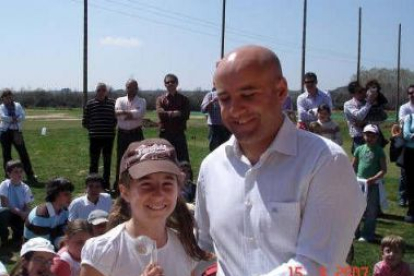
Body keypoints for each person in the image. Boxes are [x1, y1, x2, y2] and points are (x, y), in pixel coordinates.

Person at [195, 45, 366, 276]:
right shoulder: (211, 167)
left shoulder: (325, 161)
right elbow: (205, 248)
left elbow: (316, 264)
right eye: (224, 98)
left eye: (248, 95)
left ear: (281, 91)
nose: (235, 109)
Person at [80, 138, 210, 276]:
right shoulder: (103, 251)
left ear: (178, 189)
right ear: (125, 191)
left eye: (167, 183)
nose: (158, 194)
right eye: (146, 184)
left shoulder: (185, 246)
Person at [352, 124, 387, 242]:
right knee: (356, 208)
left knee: (371, 210)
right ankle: (354, 232)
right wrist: (351, 177)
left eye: (372, 135)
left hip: (373, 184)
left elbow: (383, 169)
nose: (369, 138)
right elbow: (354, 165)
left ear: (377, 137)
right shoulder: (359, 149)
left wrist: (373, 178)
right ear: (363, 135)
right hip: (359, 183)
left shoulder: (379, 151)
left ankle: (367, 234)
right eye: (367, 135)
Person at [113, 79, 147, 194]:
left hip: (136, 134)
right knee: (121, 160)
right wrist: (132, 114)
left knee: (137, 159)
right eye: (129, 87)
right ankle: (119, 186)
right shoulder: (119, 100)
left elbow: (140, 114)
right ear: (126, 88)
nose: (131, 89)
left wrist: (125, 113)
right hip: (123, 134)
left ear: (137, 88)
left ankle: (137, 185)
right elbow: (118, 115)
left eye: (133, 87)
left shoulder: (142, 101)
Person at [82, 83, 117, 190]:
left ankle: (105, 185)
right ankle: (92, 185)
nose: (101, 92)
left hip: (108, 137)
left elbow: (116, 119)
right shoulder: (90, 104)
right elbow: (85, 121)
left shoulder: (113, 103)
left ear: (106, 91)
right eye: (99, 90)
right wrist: (93, 129)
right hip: (94, 138)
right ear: (96, 91)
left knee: (107, 162)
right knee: (94, 163)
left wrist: (110, 127)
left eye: (103, 90)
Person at [24, 177, 74, 248]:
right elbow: (43, 245)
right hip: (35, 249)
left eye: (70, 193)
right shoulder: (41, 216)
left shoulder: (64, 210)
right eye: (66, 194)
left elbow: (64, 231)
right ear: (55, 195)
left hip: (52, 242)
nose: (70, 197)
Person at [0, 89, 37, 184]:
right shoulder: (2, 107)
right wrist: (13, 119)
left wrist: (16, 119)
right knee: (7, 155)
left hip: (16, 132)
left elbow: (23, 116)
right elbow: (3, 117)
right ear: (3, 98)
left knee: (23, 153)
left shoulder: (17, 105)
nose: (9, 98)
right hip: (5, 132)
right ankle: (8, 176)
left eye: (10, 96)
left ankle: (30, 174)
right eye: (6, 97)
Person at [156, 74, 191, 162]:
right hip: (164, 134)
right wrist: (175, 113)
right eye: (168, 82)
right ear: (165, 84)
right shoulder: (160, 99)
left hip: (179, 134)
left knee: (182, 160)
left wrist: (167, 114)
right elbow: (160, 114)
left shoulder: (184, 99)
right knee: (164, 160)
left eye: (172, 82)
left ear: (177, 83)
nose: (170, 84)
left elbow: (186, 115)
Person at [0, 160, 34, 247]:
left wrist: (26, 214)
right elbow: (5, 204)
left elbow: (28, 206)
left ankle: (18, 234)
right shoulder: (4, 185)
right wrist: (21, 213)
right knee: (3, 213)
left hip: (19, 215)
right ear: (8, 173)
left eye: (21, 171)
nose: (19, 174)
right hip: (6, 213)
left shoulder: (25, 188)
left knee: (20, 234)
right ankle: (3, 235)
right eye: (15, 172)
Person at [344, 81, 376, 154]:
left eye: (363, 89)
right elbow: (359, 116)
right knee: (360, 162)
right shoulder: (348, 104)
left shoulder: (368, 101)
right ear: (352, 94)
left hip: (373, 135)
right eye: (359, 91)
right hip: (359, 137)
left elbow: (380, 118)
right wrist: (369, 103)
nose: (363, 93)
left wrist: (365, 122)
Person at [397, 85, 414, 207]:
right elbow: (402, 124)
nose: (412, 94)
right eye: (410, 92)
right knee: (405, 173)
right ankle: (403, 197)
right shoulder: (404, 108)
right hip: (406, 145)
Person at [201, 86, 231, 151]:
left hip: (228, 127)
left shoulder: (230, 94)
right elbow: (203, 109)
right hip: (214, 127)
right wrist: (212, 101)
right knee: (214, 149)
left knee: (228, 149)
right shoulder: (210, 95)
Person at [402, 106, 414, 223]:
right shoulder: (409, 117)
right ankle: (411, 211)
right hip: (411, 154)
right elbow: (406, 134)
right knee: (410, 184)